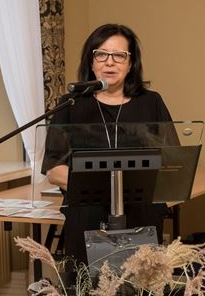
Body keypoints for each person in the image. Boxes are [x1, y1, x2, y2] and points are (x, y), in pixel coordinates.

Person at [41, 23, 173, 264]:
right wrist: (105, 187)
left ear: (131, 64)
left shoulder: (151, 102)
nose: (109, 63)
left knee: (139, 285)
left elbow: (171, 160)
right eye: (101, 54)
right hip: (87, 217)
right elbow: (54, 169)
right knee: (88, 287)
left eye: (119, 55)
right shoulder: (71, 104)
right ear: (91, 62)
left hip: (141, 215)